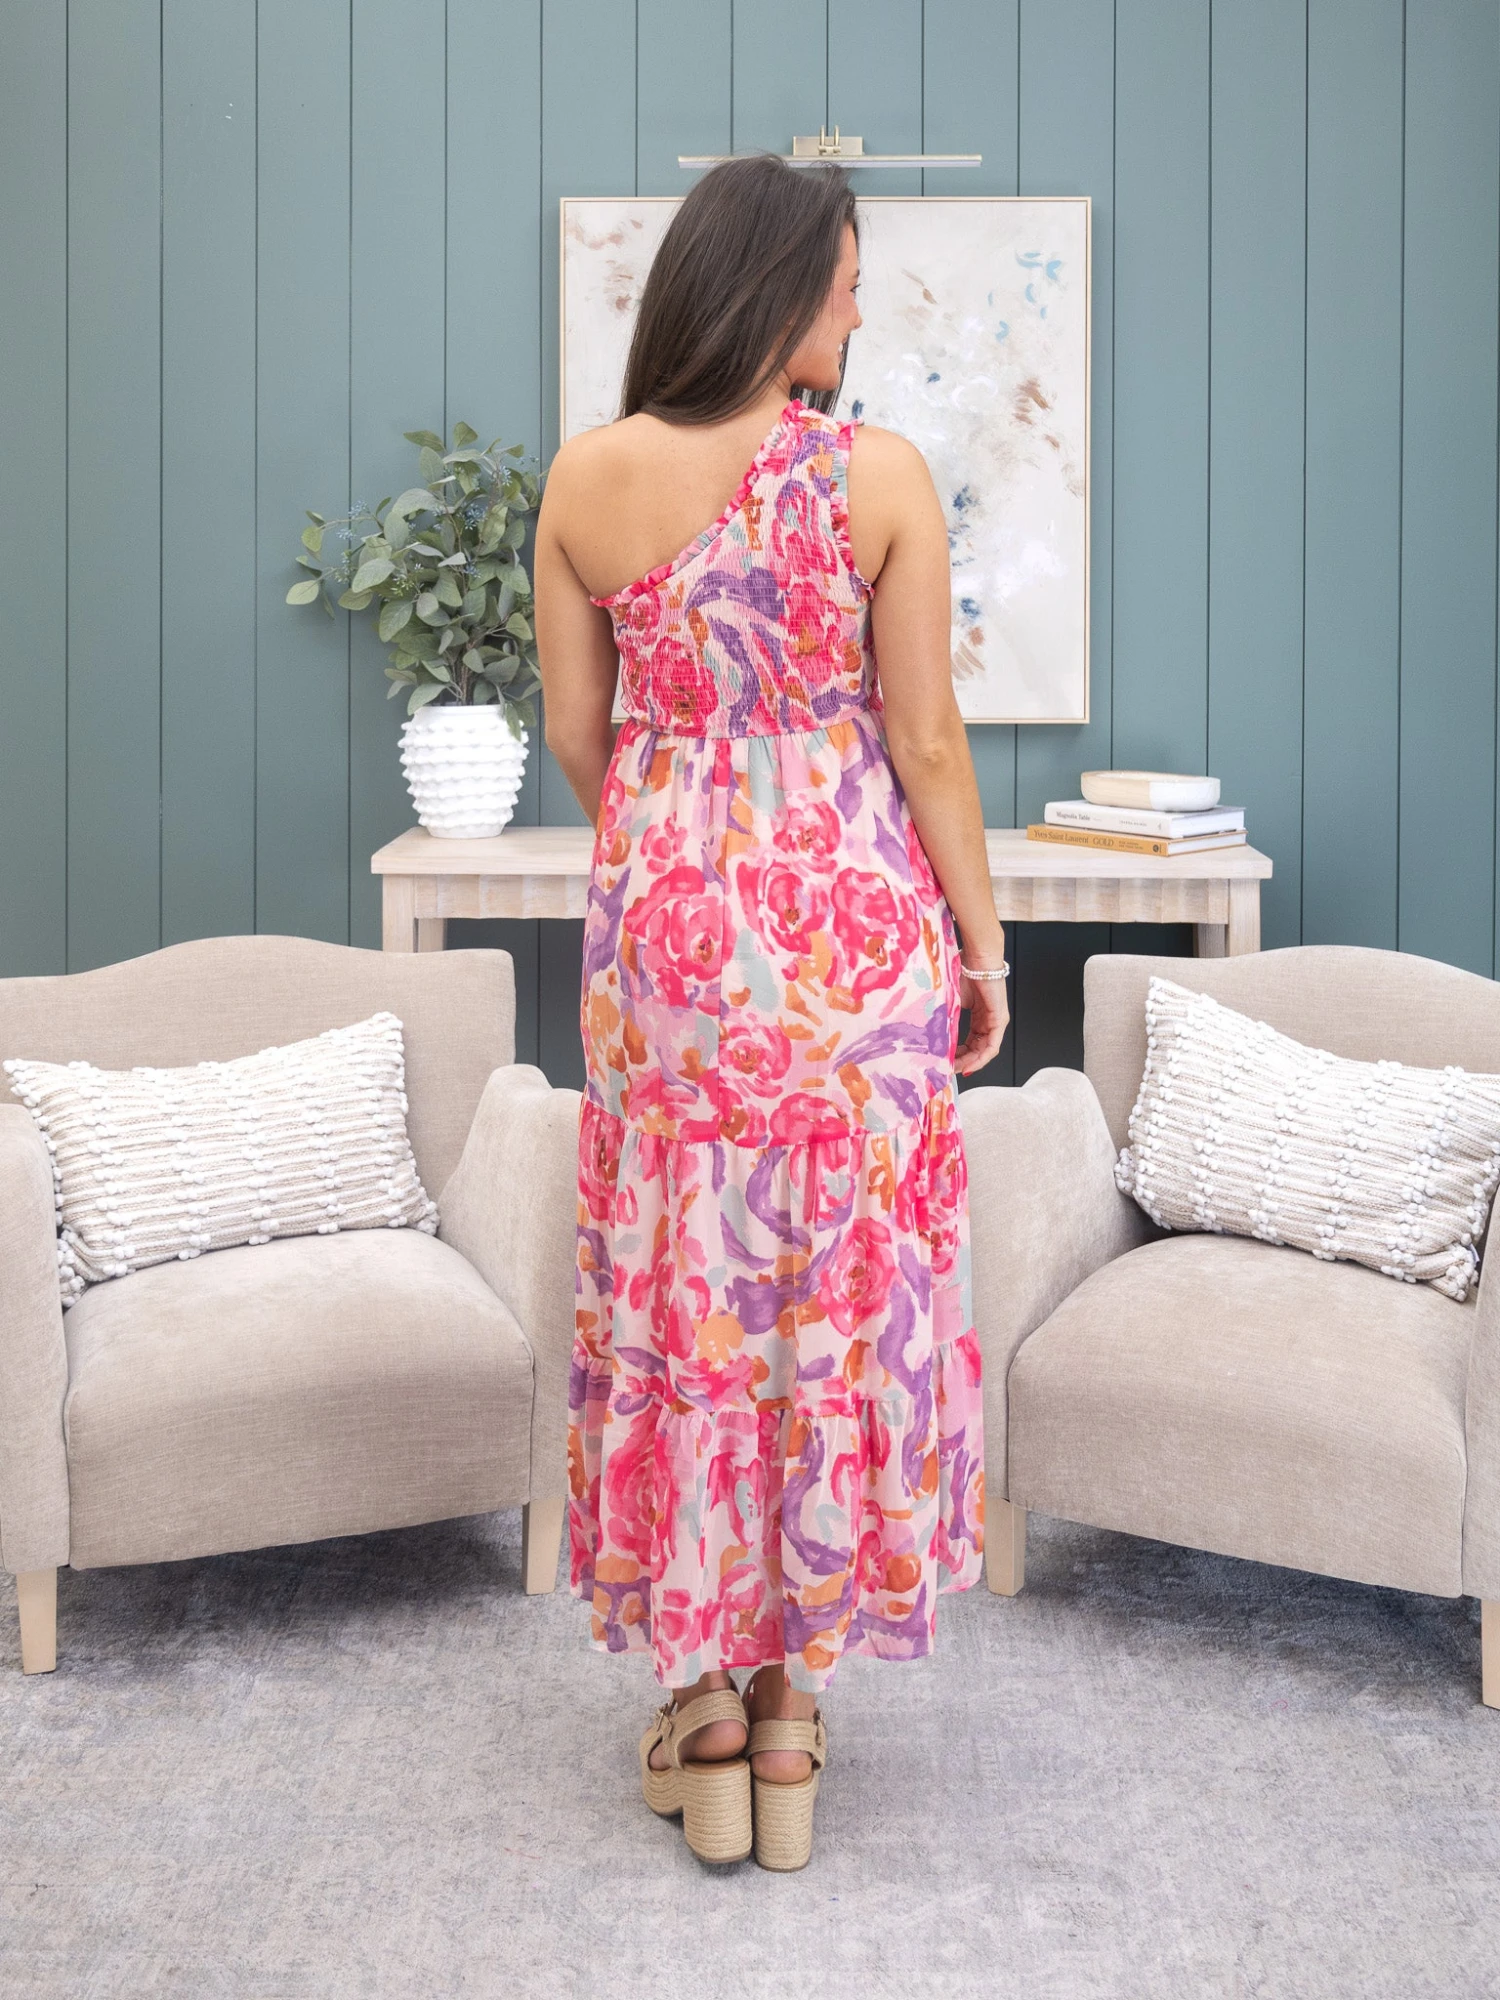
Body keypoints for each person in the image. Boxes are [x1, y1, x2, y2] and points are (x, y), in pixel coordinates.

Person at [534, 152, 1010, 1872]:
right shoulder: (874, 475)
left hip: (663, 948)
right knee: (833, 1300)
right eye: (849, 281)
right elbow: (928, 742)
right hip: (854, 946)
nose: (859, 310)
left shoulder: (587, 477)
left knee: (693, 1291)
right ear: (786, 288)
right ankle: (794, 1715)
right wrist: (983, 950)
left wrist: (680, 853)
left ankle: (708, 1708)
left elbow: (579, 735)